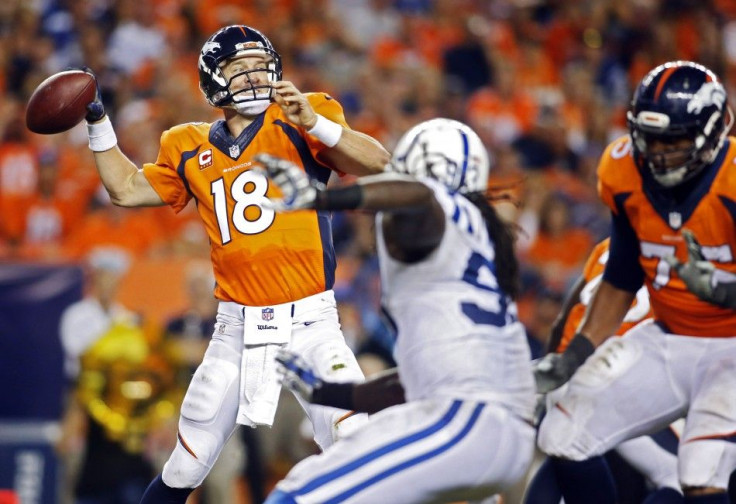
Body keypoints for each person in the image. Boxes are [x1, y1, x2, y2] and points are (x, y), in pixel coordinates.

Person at [80, 24, 389, 502]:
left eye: (258, 66)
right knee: (186, 466)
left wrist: (317, 125)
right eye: (238, 69)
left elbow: (379, 163)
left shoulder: (303, 116)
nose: (252, 77)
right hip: (235, 330)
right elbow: (126, 189)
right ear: (212, 81)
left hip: (311, 323)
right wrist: (98, 121)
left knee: (357, 446)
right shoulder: (187, 144)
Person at [254, 118, 537, 504]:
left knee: (296, 497)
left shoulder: (433, 206)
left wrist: (322, 199)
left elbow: (419, 195)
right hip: (493, 430)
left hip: (466, 424)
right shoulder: (468, 242)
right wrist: (328, 392)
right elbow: (417, 380)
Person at [533, 60, 736, 504]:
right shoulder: (625, 171)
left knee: (701, 472)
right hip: (669, 336)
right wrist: (575, 356)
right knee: (563, 433)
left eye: (674, 141)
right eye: (652, 141)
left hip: (732, 346)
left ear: (712, 131)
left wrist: (723, 292)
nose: (659, 154)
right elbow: (621, 278)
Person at [524, 238, 681, 503]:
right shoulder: (688, 255)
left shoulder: (610, 246)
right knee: (679, 478)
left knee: (569, 456)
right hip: (613, 382)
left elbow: (562, 323)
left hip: (568, 370)